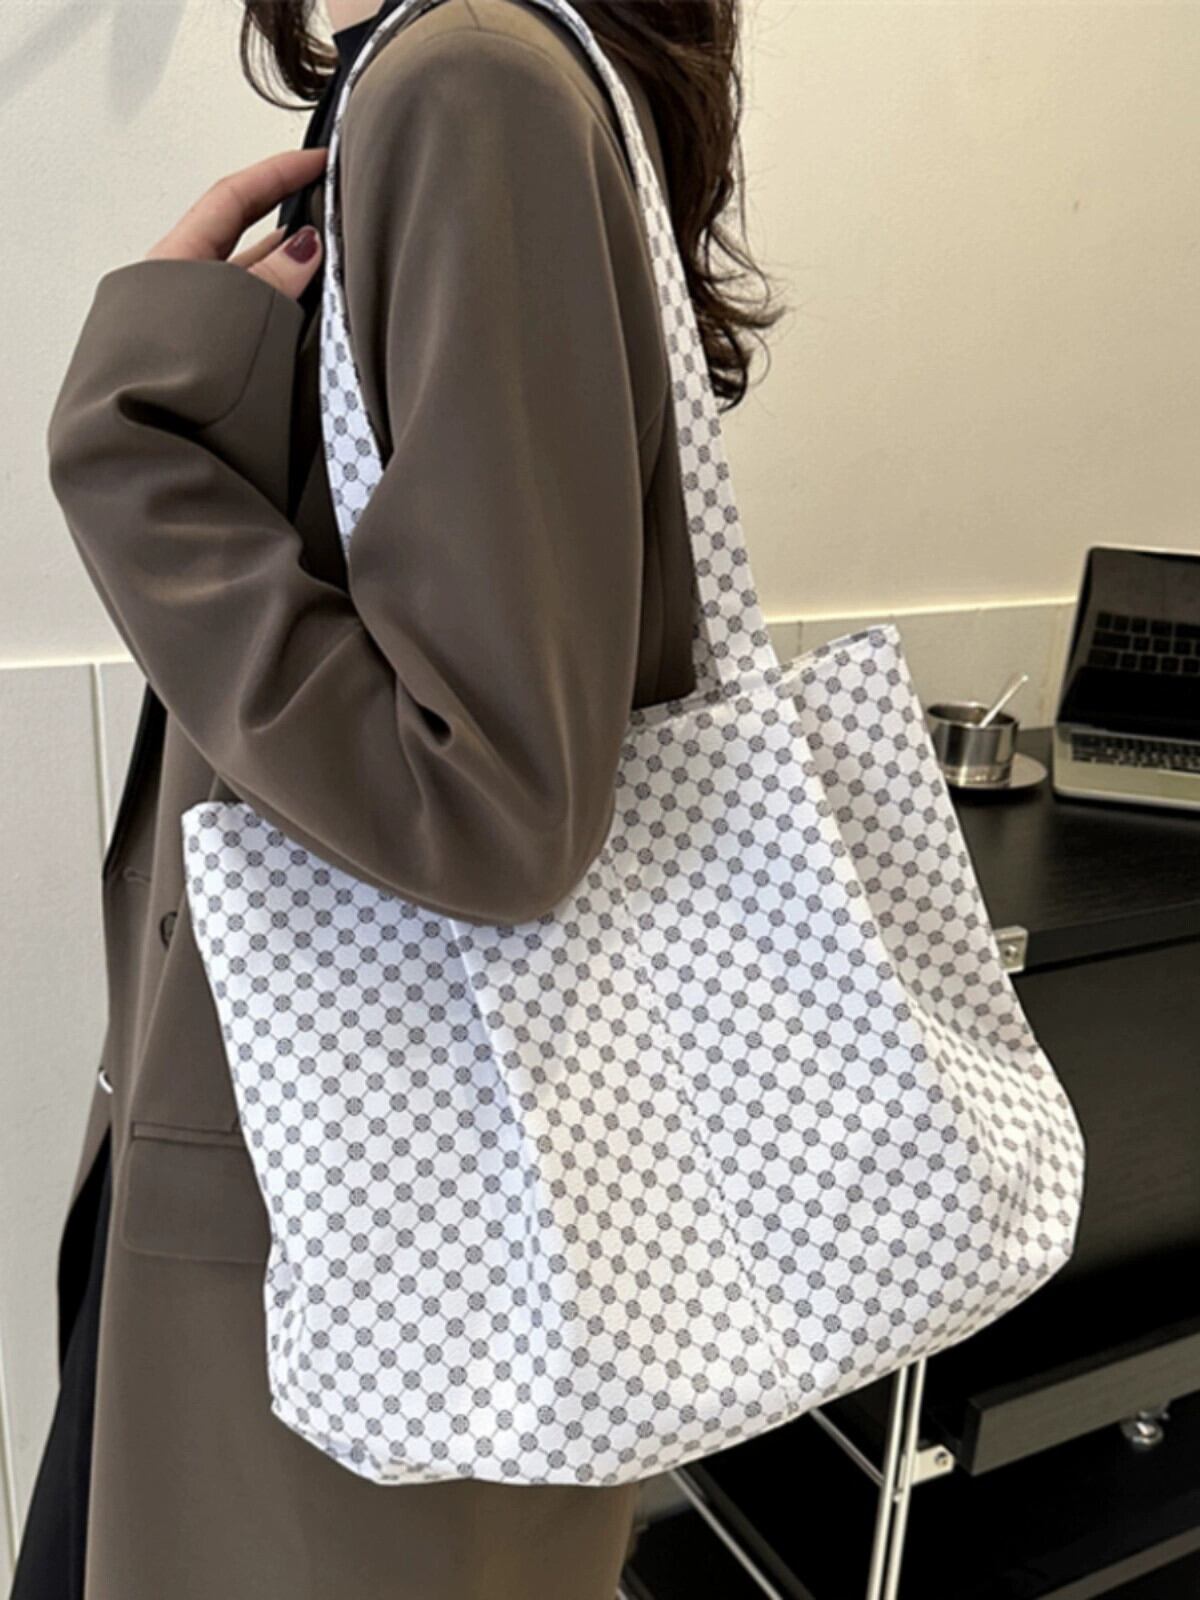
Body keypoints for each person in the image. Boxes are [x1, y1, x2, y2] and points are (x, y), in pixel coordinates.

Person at [15, 1, 780, 1595]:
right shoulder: (453, 72)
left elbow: (485, 804)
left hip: (347, 1280)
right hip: (349, 1236)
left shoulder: (471, 78)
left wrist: (132, 451)